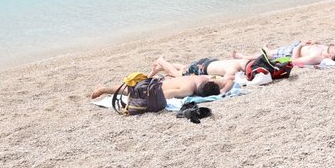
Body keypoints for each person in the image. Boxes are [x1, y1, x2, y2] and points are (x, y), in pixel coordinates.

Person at [90, 74, 223, 101]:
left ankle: (103, 88)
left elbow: (228, 80)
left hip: (158, 81)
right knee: (128, 92)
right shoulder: (188, 89)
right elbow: (167, 94)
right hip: (152, 87)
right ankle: (103, 89)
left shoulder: (202, 78)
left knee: (129, 89)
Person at [149, 56, 239, 92]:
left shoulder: (210, 80)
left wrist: (222, 91)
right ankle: (161, 61)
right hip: (195, 71)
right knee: (175, 73)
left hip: (201, 67)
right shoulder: (196, 83)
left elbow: (230, 80)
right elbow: (230, 81)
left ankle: (158, 69)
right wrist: (222, 91)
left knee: (184, 69)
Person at [233, 42, 335, 65]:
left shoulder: (315, 57)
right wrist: (314, 43)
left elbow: (294, 61)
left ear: (331, 56)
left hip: (289, 54)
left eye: (334, 49)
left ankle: (242, 57)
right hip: (294, 47)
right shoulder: (325, 50)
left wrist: (300, 46)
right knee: (271, 52)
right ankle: (267, 49)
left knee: (267, 55)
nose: (334, 47)